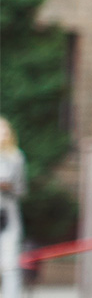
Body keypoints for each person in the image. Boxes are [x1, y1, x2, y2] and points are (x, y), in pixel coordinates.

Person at [0, 117, 23, 298]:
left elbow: (21, 188)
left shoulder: (15, 157)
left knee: (9, 265)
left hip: (6, 215)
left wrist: (8, 186)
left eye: (5, 131)